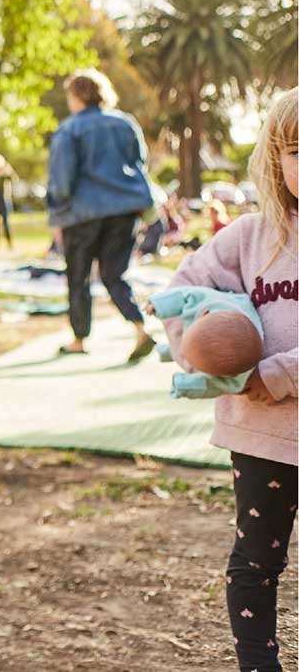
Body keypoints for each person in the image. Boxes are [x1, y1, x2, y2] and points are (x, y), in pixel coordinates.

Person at [157, 87, 296, 672]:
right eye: (295, 150)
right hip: (261, 434)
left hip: (278, 397)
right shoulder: (249, 236)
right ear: (274, 159)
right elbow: (180, 294)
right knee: (255, 561)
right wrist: (207, 356)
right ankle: (258, 663)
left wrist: (279, 371)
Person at [46, 68, 156, 361]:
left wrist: (56, 211)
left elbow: (61, 180)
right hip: (124, 210)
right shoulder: (125, 123)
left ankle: (79, 339)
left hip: (83, 214)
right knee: (114, 274)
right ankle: (140, 327)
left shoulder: (70, 130)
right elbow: (140, 162)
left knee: (78, 276)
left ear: (76, 96)